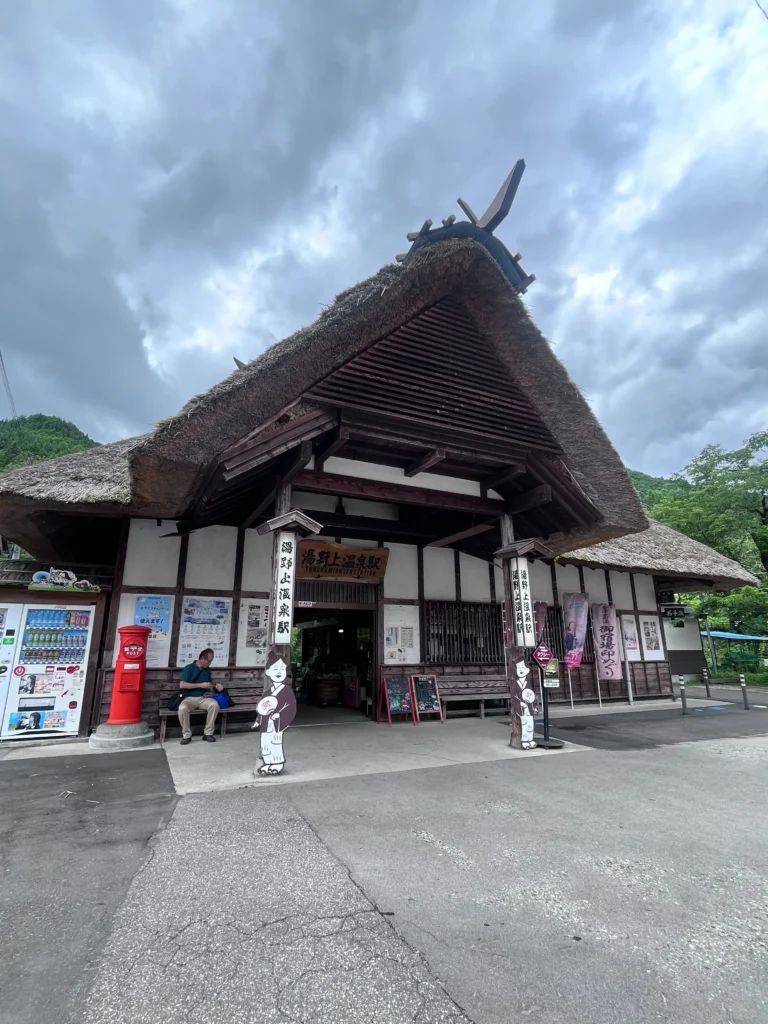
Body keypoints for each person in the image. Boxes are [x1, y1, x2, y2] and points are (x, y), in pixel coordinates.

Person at [252, 649, 296, 775]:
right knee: (265, 743)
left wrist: (280, 715)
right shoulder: (268, 692)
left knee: (275, 742)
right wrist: (258, 720)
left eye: (282, 669)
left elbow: (291, 707)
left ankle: (277, 763)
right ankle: (268, 763)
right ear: (268, 672)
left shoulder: (287, 691)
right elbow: (262, 707)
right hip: (267, 722)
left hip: (277, 723)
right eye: (275, 669)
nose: (279, 672)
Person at [177, 648, 223, 745]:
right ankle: (186, 735)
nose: (210, 663)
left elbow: (209, 683)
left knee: (214, 705)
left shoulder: (207, 670)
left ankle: (208, 733)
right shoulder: (189, 668)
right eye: (209, 661)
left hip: (203, 698)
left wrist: (216, 685)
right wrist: (200, 685)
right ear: (202, 659)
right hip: (189, 698)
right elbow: (182, 685)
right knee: (182, 708)